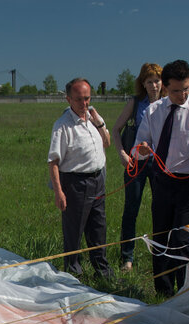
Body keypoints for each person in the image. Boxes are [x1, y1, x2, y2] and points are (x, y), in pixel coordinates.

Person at [133, 60, 189, 296]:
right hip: (162, 180)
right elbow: (139, 145)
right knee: (161, 236)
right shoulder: (153, 111)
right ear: (165, 87)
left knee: (183, 238)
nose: (182, 94)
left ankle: (186, 292)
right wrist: (142, 149)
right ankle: (163, 292)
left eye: (186, 88)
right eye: (176, 90)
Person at [47, 77, 112, 278]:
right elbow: (53, 162)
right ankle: (73, 273)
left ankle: (102, 271)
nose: (84, 104)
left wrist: (99, 123)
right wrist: (59, 192)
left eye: (87, 98)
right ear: (68, 99)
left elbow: (107, 143)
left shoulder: (93, 119)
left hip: (97, 180)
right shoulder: (62, 126)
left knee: (98, 228)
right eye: (79, 100)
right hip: (75, 183)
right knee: (74, 230)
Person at [111, 63, 163, 272]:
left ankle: (160, 255)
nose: (154, 85)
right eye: (149, 81)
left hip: (160, 164)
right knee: (131, 209)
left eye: (157, 81)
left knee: (161, 210)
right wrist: (123, 154)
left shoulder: (168, 103)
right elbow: (115, 129)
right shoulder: (134, 103)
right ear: (143, 83)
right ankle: (127, 258)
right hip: (136, 163)